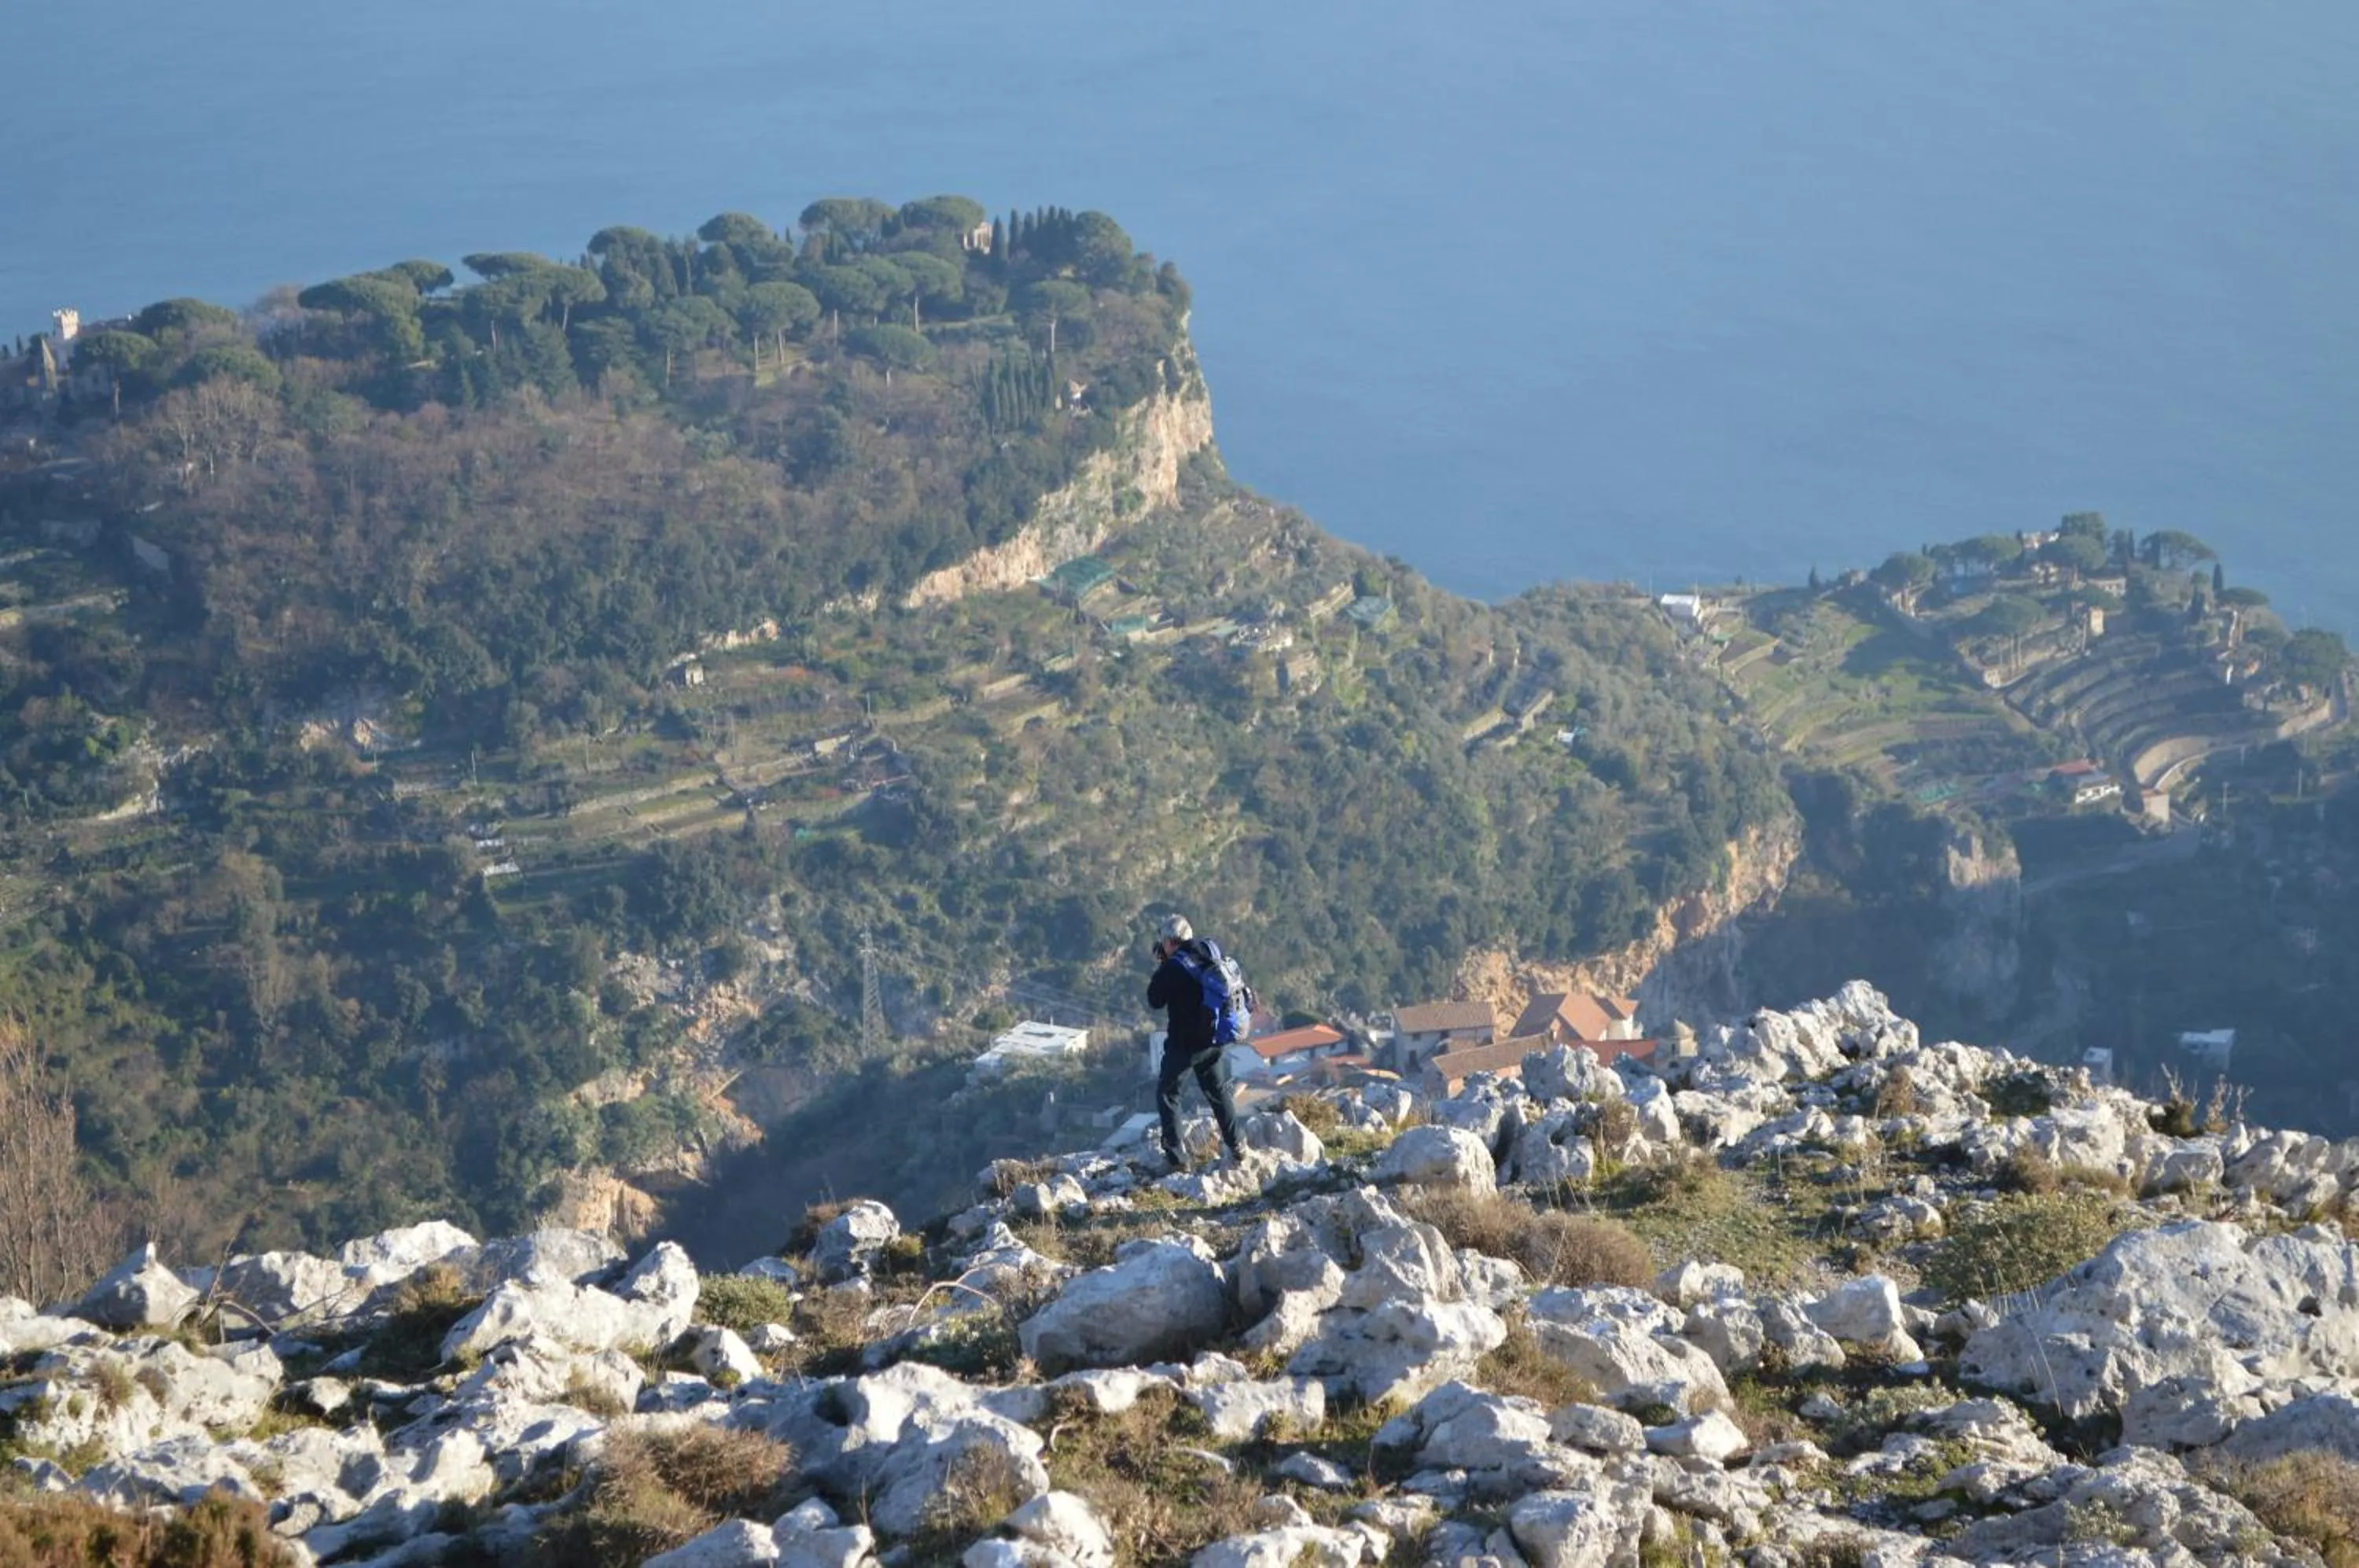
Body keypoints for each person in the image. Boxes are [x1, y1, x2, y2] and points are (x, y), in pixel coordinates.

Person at [1146, 914, 1243, 1171]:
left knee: (1168, 1095)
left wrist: (1162, 967)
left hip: (1185, 1044)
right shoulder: (1209, 948)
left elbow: (1154, 999)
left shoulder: (1173, 967)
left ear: (1168, 941)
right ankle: (1237, 1146)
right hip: (1213, 1040)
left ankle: (1177, 1160)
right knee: (1219, 1092)